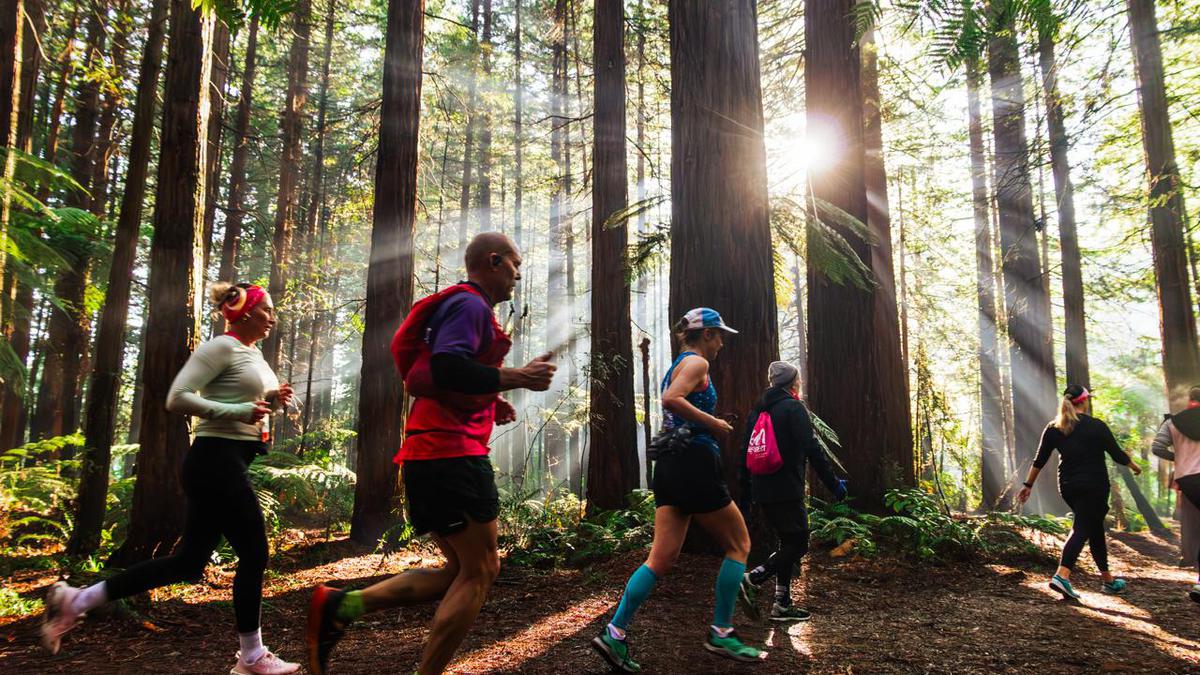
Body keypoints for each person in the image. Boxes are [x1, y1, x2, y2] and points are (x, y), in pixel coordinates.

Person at [306, 232, 556, 675]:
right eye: (515, 264)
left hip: (432, 454)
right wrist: (516, 376)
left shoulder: (469, 308)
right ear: (494, 261)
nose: (519, 274)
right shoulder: (470, 304)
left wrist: (491, 398)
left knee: (458, 569)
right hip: (450, 455)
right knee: (481, 571)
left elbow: (453, 374)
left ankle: (341, 605)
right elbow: (446, 365)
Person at [41, 282, 300, 674]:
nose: (273, 318)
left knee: (189, 563)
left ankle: (77, 600)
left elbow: (250, 406)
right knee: (255, 553)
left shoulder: (254, 353)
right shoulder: (218, 348)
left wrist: (274, 401)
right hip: (215, 461)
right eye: (268, 311)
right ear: (245, 312)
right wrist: (236, 412)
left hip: (228, 462)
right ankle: (251, 657)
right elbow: (177, 397)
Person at [591, 308, 765, 673]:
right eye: (719, 336)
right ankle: (721, 631)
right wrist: (714, 423)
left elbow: (671, 400)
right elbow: (671, 399)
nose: (721, 343)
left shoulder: (678, 363)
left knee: (662, 557)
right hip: (692, 459)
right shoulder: (696, 364)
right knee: (739, 545)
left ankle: (615, 632)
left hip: (670, 461)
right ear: (705, 335)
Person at [739, 361, 846, 621]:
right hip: (787, 487)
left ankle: (782, 604)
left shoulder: (759, 410)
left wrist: (748, 492)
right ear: (793, 382)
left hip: (762, 487)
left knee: (786, 542)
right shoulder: (793, 408)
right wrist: (833, 484)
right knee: (798, 544)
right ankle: (753, 578)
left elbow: (745, 450)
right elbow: (812, 448)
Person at [1017, 384, 1142, 601]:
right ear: (1085, 401)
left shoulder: (1054, 427)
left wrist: (1028, 485)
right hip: (1094, 485)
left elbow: (1040, 459)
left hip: (1068, 486)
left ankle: (1108, 581)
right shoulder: (1097, 426)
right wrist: (1135, 466)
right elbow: (1117, 455)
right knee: (1083, 527)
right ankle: (1062, 575)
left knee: (1094, 528)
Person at [1150, 385, 1200, 602]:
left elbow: (1157, 448)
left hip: (1186, 481)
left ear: (1189, 399)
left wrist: (1178, 459)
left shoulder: (1172, 422)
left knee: (1193, 527)